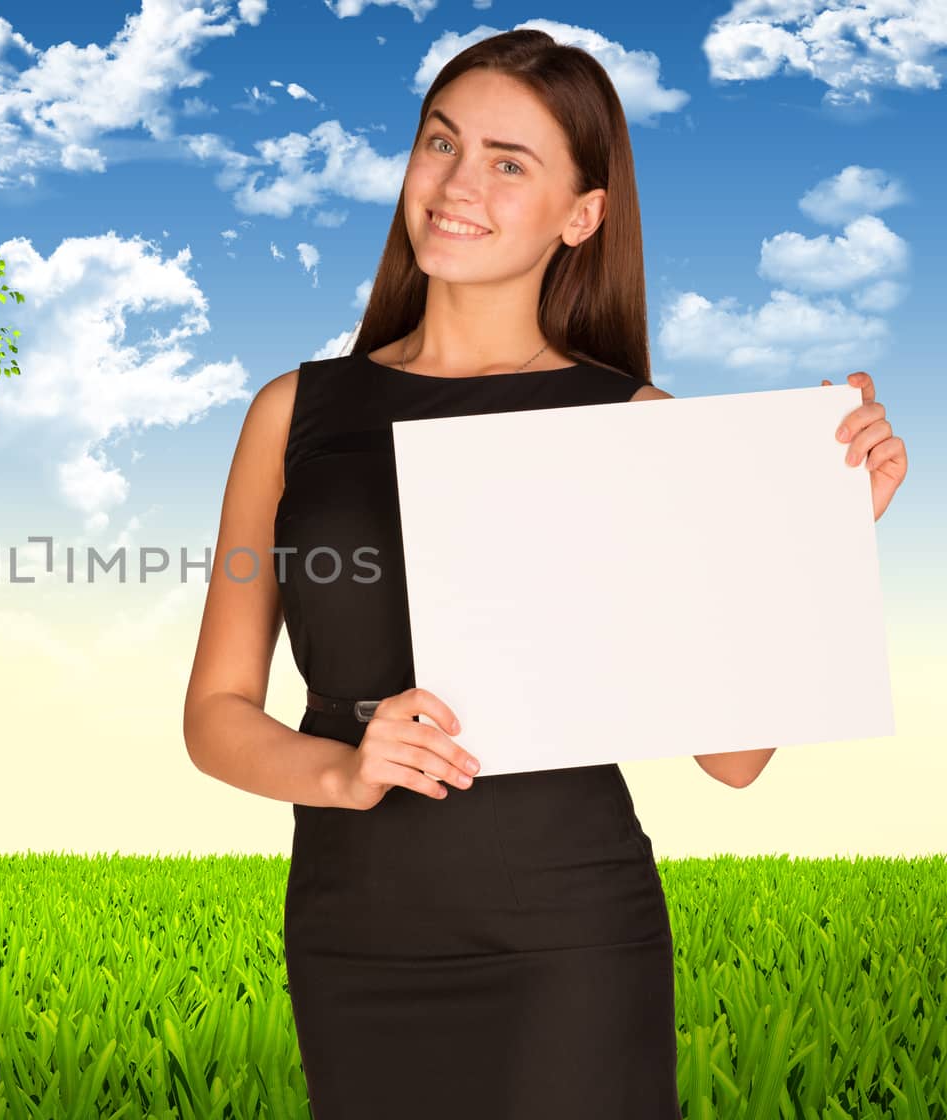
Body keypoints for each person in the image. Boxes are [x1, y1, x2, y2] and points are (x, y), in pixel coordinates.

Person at [182, 27, 906, 1118]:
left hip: (567, 938)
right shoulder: (293, 413)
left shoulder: (636, 427)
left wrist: (812, 538)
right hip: (352, 931)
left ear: (582, 214)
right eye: (441, 143)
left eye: (508, 161)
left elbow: (733, 756)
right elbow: (215, 712)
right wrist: (343, 772)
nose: (457, 184)